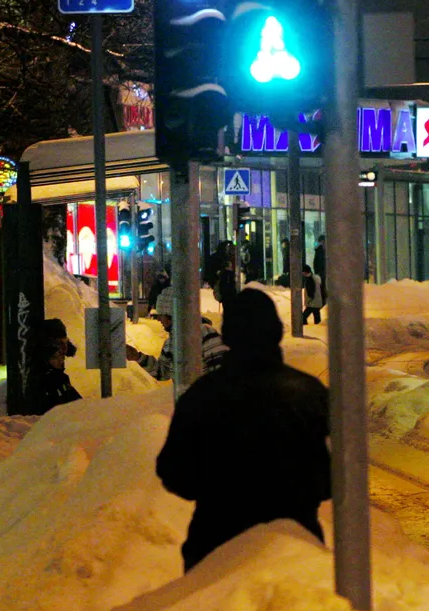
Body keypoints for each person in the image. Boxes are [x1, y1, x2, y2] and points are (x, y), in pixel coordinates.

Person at [156, 288, 331, 570]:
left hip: (216, 545)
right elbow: (334, 475)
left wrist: (217, 487)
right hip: (296, 547)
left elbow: (174, 473)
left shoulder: (203, 395)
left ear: (228, 336)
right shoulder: (309, 393)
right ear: (276, 331)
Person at [131, 287, 228, 381]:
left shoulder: (205, 334)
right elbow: (163, 373)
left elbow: (223, 370)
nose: (159, 320)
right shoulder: (171, 342)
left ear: (171, 315)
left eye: (160, 315)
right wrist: (138, 357)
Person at [39, 318, 82, 411]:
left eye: (65, 343)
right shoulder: (45, 383)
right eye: (58, 344)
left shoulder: (62, 380)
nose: (63, 349)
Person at [311, 238, 328, 304]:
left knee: (323, 286)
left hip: (323, 271)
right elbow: (316, 263)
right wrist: (317, 272)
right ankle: (323, 300)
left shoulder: (323, 250)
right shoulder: (319, 251)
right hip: (321, 272)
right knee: (322, 286)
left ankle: (324, 300)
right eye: (322, 241)